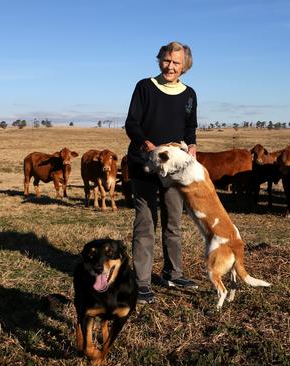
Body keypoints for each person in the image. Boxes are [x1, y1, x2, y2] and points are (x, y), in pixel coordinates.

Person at [125, 41, 199, 304]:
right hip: (144, 164)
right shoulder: (145, 87)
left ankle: (173, 272)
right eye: (166, 60)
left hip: (174, 168)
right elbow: (132, 124)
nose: (170, 66)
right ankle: (142, 282)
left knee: (174, 222)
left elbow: (190, 127)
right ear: (160, 60)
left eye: (176, 62)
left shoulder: (189, 94)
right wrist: (149, 148)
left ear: (184, 66)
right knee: (145, 223)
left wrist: (191, 145)